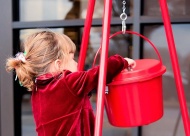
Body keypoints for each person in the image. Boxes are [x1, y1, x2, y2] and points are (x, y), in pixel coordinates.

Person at [6, 30, 136, 136]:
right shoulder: (66, 83)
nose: (77, 63)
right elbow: (97, 75)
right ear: (58, 65)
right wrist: (121, 61)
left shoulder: (38, 90)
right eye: (72, 59)